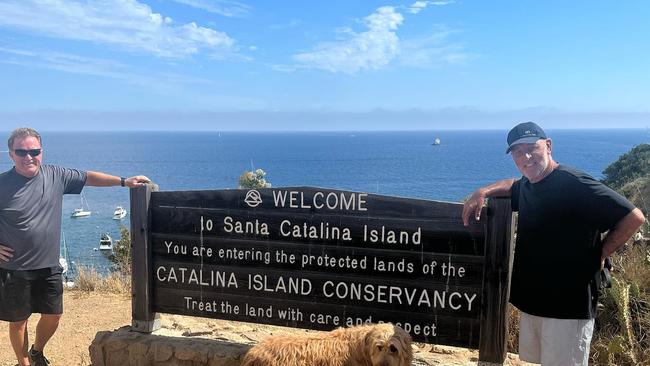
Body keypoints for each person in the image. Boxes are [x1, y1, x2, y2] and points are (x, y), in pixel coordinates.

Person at [462, 122, 645, 366]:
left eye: (532, 148)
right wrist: (483, 191)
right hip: (535, 303)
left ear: (548, 145)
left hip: (569, 307)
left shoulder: (576, 183)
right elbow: (512, 185)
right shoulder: (529, 185)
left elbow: (634, 217)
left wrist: (601, 253)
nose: (525, 157)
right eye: (518, 152)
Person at [0, 127, 151, 366]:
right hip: (14, 267)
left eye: (34, 151)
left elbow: (89, 177)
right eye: (21, 151)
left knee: (54, 316)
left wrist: (124, 182)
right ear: (11, 154)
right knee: (19, 321)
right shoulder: (3, 184)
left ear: (42, 152)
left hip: (48, 264)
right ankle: (23, 362)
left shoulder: (56, 175)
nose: (28, 156)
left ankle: (37, 351)